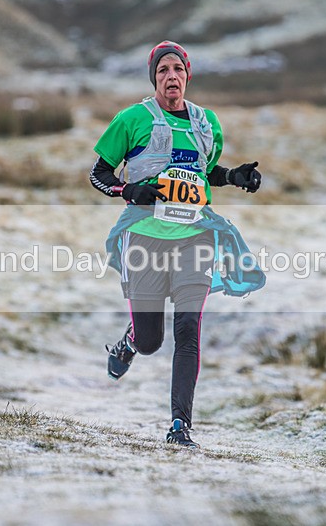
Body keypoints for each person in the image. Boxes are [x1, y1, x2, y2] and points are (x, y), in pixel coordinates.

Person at [88, 41, 265, 448]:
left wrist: (234, 177)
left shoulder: (207, 123)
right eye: (163, 70)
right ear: (155, 78)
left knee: (188, 329)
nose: (172, 76)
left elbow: (204, 173)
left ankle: (180, 427)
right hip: (145, 238)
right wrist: (128, 188)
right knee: (152, 341)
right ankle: (131, 340)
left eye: (178, 70)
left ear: (187, 76)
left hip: (196, 236)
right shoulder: (132, 119)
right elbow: (99, 173)